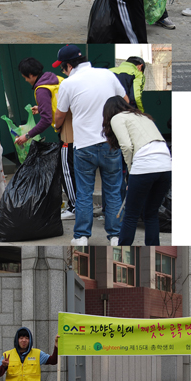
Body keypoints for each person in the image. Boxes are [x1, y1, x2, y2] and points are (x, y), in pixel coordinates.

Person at [53, 45, 127, 246]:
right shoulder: (107, 75)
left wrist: (56, 125)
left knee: (84, 192)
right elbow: (125, 101)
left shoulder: (68, 84)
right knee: (112, 191)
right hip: (110, 143)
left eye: (62, 68)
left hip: (84, 146)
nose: (63, 71)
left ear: (69, 66)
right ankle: (115, 236)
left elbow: (60, 115)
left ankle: (82, 237)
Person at [102, 96, 171, 246]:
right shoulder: (143, 116)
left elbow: (126, 146)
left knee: (131, 215)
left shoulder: (117, 118)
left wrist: (131, 171)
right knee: (151, 214)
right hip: (166, 165)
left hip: (144, 166)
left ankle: (122, 249)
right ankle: (152, 247)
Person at [15, 57, 77, 220]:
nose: (24, 79)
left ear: (30, 74)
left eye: (24, 76)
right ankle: (80, 204)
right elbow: (57, 102)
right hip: (77, 125)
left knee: (66, 170)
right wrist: (41, 107)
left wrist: (26, 136)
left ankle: (74, 207)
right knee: (76, 168)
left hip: (66, 130)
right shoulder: (56, 79)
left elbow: (45, 120)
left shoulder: (41, 89)